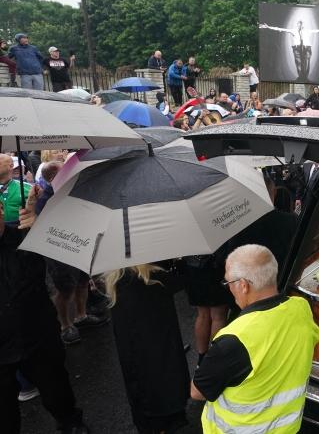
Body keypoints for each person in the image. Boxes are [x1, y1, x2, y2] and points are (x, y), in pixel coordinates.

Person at [191, 245, 319, 433]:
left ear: (243, 285)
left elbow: (197, 392)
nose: (229, 288)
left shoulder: (234, 339)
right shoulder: (301, 309)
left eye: (228, 283)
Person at [1, 186, 90, 434]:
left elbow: (68, 248)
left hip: (38, 335)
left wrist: (39, 225)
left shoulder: (24, 233)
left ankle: (71, 422)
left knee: (57, 390)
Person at [104, 263, 189, 433]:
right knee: (161, 390)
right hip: (160, 357)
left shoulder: (115, 282)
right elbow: (181, 281)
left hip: (136, 362)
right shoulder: (154, 280)